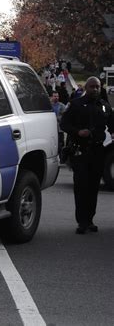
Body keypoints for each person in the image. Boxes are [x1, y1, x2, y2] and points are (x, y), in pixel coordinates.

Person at [60, 77, 114, 234]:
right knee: (81, 187)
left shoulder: (104, 106)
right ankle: (81, 222)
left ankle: (90, 220)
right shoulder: (76, 104)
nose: (95, 89)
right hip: (80, 151)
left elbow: (111, 122)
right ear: (86, 88)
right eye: (92, 87)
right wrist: (77, 132)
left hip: (98, 152)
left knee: (93, 187)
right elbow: (64, 124)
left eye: (97, 87)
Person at [51, 91, 66, 156]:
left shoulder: (62, 106)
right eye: (55, 96)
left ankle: (60, 158)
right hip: (51, 129)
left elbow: (64, 117)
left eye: (57, 96)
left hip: (59, 129)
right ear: (51, 97)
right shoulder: (49, 105)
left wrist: (56, 118)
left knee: (60, 144)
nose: (56, 97)